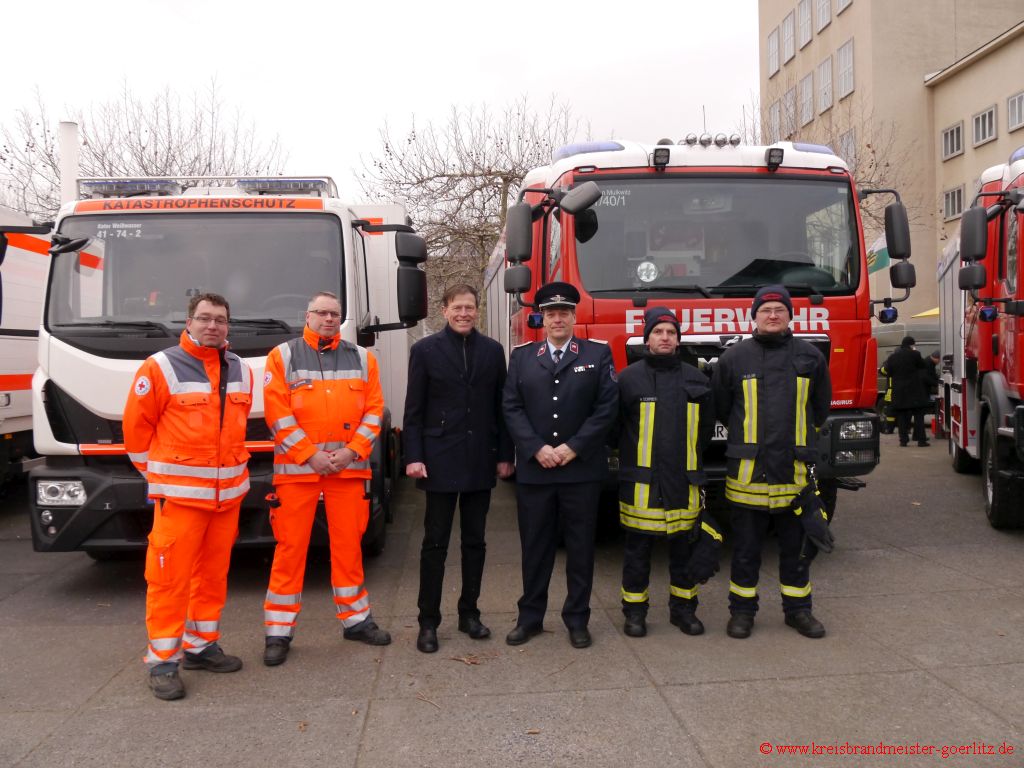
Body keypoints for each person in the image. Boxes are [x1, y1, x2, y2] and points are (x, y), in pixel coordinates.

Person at [124, 293, 253, 701]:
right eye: (205, 318)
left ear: (228, 326)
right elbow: (135, 433)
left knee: (212, 579)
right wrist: (160, 478)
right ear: (189, 321)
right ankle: (163, 661)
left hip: (227, 499)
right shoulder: (161, 366)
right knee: (168, 581)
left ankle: (201, 647)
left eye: (220, 320)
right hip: (179, 502)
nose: (212, 326)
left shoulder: (241, 370)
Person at [261, 291, 390, 667]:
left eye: (334, 314)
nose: (329, 319)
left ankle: (356, 621)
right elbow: (276, 414)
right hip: (298, 474)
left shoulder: (363, 358)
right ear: (308, 316)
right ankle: (278, 632)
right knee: (290, 551)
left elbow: (374, 410)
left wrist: (351, 451)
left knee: (349, 548)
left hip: (348, 471)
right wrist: (310, 455)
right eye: (322, 313)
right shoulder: (282, 356)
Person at [712, 285, 832, 640]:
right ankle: (742, 614)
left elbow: (820, 408)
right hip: (747, 476)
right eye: (766, 310)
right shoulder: (734, 358)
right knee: (746, 552)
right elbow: (721, 408)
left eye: (780, 309)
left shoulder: (810, 357)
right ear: (754, 317)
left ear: (790, 316)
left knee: (795, 553)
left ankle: (798, 612)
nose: (773, 315)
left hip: (793, 476)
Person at [502, 281, 618, 649]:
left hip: (580, 471)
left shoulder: (597, 354)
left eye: (564, 313)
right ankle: (530, 618)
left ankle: (577, 619)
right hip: (536, 471)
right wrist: (536, 448)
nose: (557, 319)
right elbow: (511, 407)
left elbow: (606, 409)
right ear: (542, 318)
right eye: (551, 313)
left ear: (574, 316)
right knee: (535, 548)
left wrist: (574, 447)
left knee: (581, 549)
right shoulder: (522, 356)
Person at [403, 284, 515, 654]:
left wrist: (504, 455)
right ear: (444, 309)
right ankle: (428, 621)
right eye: (457, 307)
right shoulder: (424, 350)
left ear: (477, 311)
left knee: (475, 543)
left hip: (479, 460)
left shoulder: (493, 351)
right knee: (434, 545)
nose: (464, 313)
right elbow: (414, 411)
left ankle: (469, 613)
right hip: (438, 461)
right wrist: (413, 456)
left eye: (470, 307)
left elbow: (503, 408)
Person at [616, 307, 719, 638]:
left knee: (683, 552)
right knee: (636, 554)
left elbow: (705, 431)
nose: (664, 338)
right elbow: (613, 429)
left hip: (684, 483)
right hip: (641, 486)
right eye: (658, 332)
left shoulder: (697, 379)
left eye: (670, 333)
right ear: (647, 338)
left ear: (678, 339)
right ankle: (634, 613)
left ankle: (684, 610)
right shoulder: (628, 378)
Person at [881, 336, 930, 447]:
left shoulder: (892, 357)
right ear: (911, 345)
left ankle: (903, 441)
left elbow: (888, 371)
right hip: (914, 391)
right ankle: (921, 440)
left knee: (902, 417)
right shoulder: (915, 354)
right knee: (918, 416)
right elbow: (923, 366)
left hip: (899, 392)